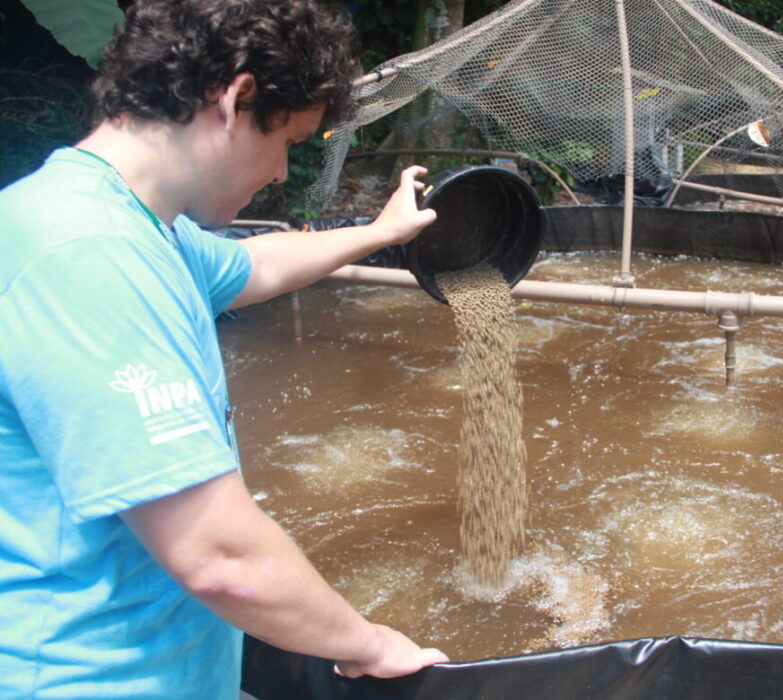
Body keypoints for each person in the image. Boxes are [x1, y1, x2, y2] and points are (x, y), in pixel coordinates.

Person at [0, 0, 448, 697]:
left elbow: (258, 267)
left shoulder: (141, 230)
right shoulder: (88, 256)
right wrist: (369, 642)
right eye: (289, 143)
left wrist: (381, 233)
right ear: (236, 100)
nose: (279, 173)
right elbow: (220, 556)